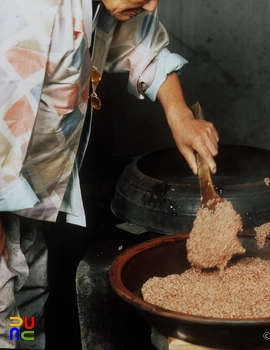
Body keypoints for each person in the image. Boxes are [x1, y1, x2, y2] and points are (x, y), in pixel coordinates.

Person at [0, 0, 219, 348]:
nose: (151, 4)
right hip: (4, 194)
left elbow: (144, 45)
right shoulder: (30, 10)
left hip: (29, 200)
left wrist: (180, 115)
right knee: (0, 316)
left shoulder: (106, 5)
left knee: (26, 308)